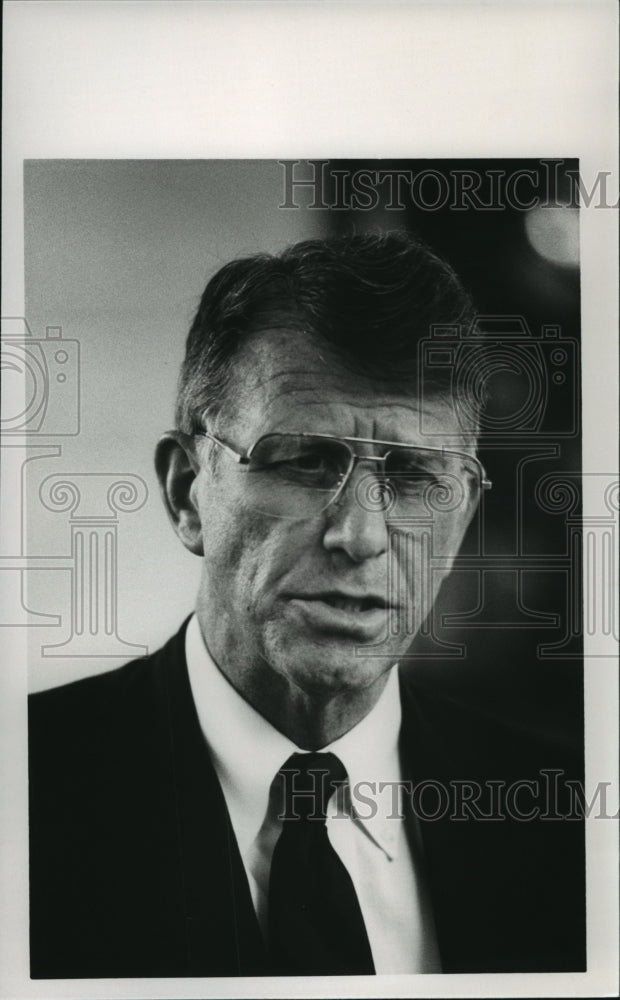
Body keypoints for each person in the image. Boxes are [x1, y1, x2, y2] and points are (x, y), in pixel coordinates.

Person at [28, 231, 585, 979]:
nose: (359, 536)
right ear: (186, 492)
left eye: (418, 476)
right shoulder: (25, 793)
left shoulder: (568, 820)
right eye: (306, 461)